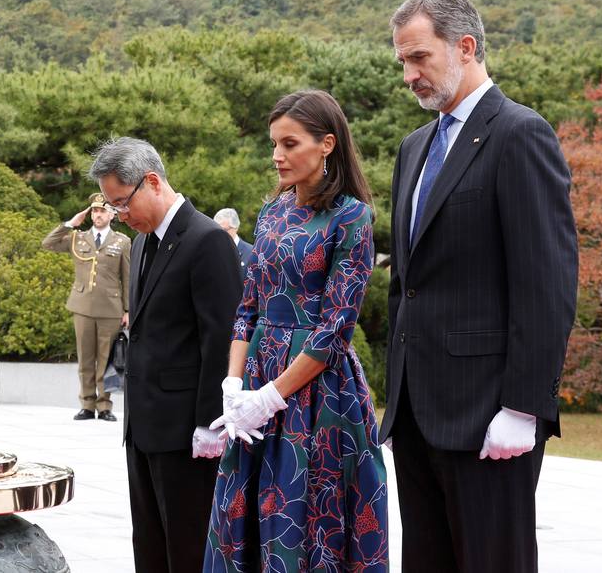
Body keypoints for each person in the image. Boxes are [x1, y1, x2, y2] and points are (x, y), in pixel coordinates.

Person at [380, 0, 577, 572]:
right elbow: (406, 287)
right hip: (417, 415)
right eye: (403, 62)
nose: (410, 75)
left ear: (466, 47)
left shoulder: (521, 134)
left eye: (420, 58)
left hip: (490, 415)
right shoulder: (414, 148)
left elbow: (547, 280)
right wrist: (397, 400)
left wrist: (524, 406)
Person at [205, 90, 388, 572]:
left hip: (318, 393)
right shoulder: (272, 212)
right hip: (256, 381)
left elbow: (334, 330)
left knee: (306, 518)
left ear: (326, 144)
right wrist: (234, 385)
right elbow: (247, 307)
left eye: (289, 144)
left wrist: (270, 397)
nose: (277, 156)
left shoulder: (352, 217)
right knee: (240, 517)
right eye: (273, 144)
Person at [88, 137, 240, 573]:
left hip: (187, 433)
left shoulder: (206, 239)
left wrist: (209, 423)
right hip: (144, 427)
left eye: (122, 202)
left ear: (151, 182)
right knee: (150, 546)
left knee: (188, 548)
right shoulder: (141, 243)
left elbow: (222, 338)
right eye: (113, 206)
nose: (120, 214)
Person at [41, 192, 131, 422]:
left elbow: (127, 278)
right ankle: (87, 404)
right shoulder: (77, 238)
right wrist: (70, 223)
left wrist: (128, 310)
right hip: (82, 306)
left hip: (110, 309)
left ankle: (105, 406)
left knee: (105, 359)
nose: (97, 214)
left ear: (112, 214)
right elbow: (48, 243)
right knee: (85, 358)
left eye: (102, 211)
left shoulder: (122, 242)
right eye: (94, 211)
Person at [212, 208, 252, 282]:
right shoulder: (210, 251)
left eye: (224, 230)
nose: (219, 234)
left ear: (235, 228)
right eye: (216, 230)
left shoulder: (250, 253)